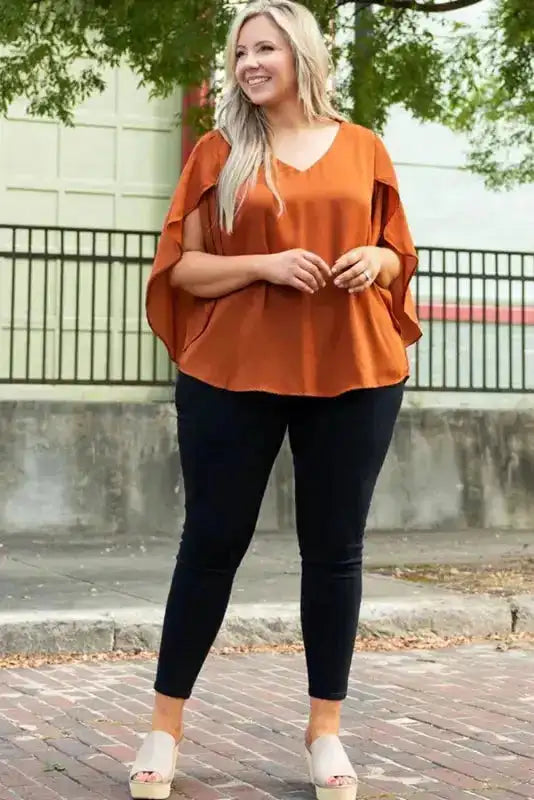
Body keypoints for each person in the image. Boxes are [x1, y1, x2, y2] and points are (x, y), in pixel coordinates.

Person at [129, 1, 421, 798]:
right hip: (231, 371)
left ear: (301, 55)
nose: (250, 62)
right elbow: (181, 270)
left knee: (334, 553)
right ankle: (165, 725)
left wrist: (373, 261)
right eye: (241, 51)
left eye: (265, 48)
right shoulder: (220, 151)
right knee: (211, 543)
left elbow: (399, 255)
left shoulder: (365, 149)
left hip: (353, 368)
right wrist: (264, 264)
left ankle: (325, 731)